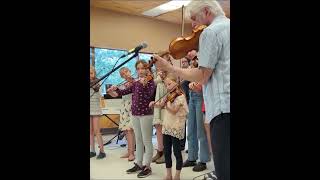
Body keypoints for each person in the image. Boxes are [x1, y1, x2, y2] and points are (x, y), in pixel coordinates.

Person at [153, 1, 230, 179]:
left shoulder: (211, 32)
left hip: (223, 109)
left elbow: (203, 75)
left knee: (224, 169)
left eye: (195, 18)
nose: (194, 25)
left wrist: (171, 69)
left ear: (206, 11)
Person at [107, 60, 156, 178]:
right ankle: (139, 163)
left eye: (142, 68)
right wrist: (114, 90)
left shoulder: (150, 82)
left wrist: (143, 84)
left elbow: (149, 96)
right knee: (138, 140)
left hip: (146, 114)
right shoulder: (135, 83)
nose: (140, 71)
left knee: (147, 141)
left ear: (147, 69)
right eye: (138, 69)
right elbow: (123, 92)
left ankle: (147, 166)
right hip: (134, 113)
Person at [149, 74, 188, 180]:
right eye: (166, 85)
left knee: (176, 152)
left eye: (170, 84)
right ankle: (169, 174)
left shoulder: (181, 96)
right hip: (167, 125)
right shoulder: (168, 95)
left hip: (176, 126)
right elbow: (160, 105)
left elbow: (174, 110)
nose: (168, 87)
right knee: (167, 151)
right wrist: (154, 104)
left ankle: (177, 175)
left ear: (176, 82)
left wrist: (166, 105)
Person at [183, 59, 211, 172]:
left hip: (200, 97)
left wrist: (199, 84)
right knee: (190, 129)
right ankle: (192, 158)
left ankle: (203, 160)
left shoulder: (205, 63)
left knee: (200, 131)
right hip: (192, 97)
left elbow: (207, 81)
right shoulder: (193, 65)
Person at [151, 52, 171, 164]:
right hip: (158, 99)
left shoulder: (171, 72)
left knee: (165, 129)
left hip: (166, 100)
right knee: (158, 127)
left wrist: (162, 76)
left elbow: (172, 86)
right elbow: (153, 84)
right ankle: (160, 151)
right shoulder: (156, 72)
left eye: (165, 60)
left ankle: (167, 153)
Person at [117, 67, 136, 161]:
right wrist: (111, 90)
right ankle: (129, 151)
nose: (125, 74)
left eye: (126, 72)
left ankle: (132, 152)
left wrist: (130, 80)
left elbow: (134, 87)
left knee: (129, 130)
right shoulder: (122, 84)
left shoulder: (134, 81)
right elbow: (117, 94)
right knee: (125, 130)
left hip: (131, 106)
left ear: (130, 71)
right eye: (123, 74)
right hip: (124, 107)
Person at [90, 66, 106, 159]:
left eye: (91, 73)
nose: (90, 75)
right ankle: (92, 150)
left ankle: (102, 151)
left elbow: (99, 93)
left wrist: (95, 85)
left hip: (95, 107)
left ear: (94, 73)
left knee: (97, 130)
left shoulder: (97, 82)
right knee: (90, 131)